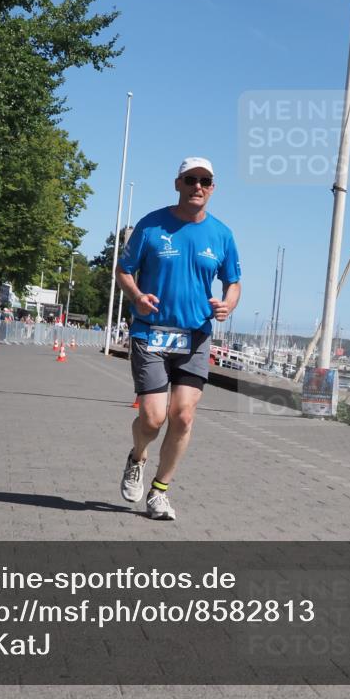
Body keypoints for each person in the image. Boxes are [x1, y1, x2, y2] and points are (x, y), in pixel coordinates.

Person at [115, 157, 241, 520]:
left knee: (183, 416)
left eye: (205, 181)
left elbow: (233, 281)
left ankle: (159, 492)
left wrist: (228, 305)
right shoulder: (151, 226)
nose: (197, 186)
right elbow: (124, 271)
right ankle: (137, 457)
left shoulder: (222, 235)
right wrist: (137, 296)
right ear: (178, 183)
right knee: (153, 420)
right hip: (150, 333)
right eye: (190, 180)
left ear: (213, 187)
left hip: (196, 336)